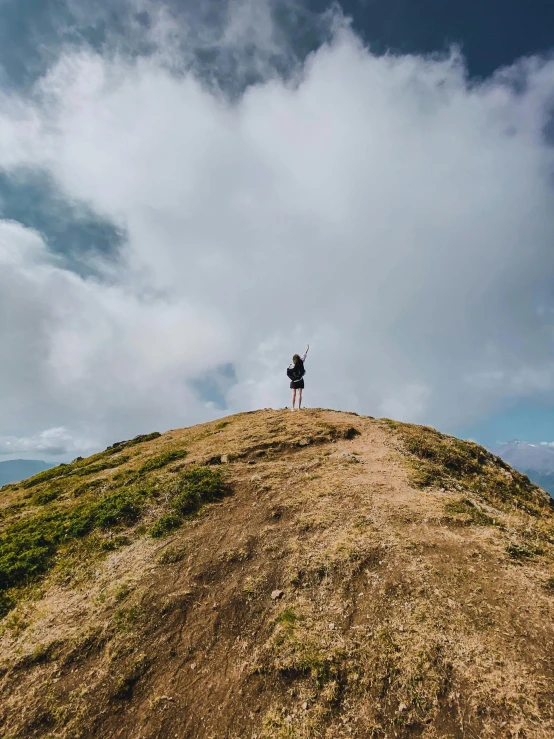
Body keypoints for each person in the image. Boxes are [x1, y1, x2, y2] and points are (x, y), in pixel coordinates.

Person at [288, 344, 309, 411]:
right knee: (299, 393)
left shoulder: (291, 366)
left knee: (293, 394)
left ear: (293, 360)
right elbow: (304, 355)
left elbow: (288, 373)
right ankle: (299, 408)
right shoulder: (301, 362)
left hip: (294, 381)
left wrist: (293, 378)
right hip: (300, 380)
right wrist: (307, 348)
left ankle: (292, 408)